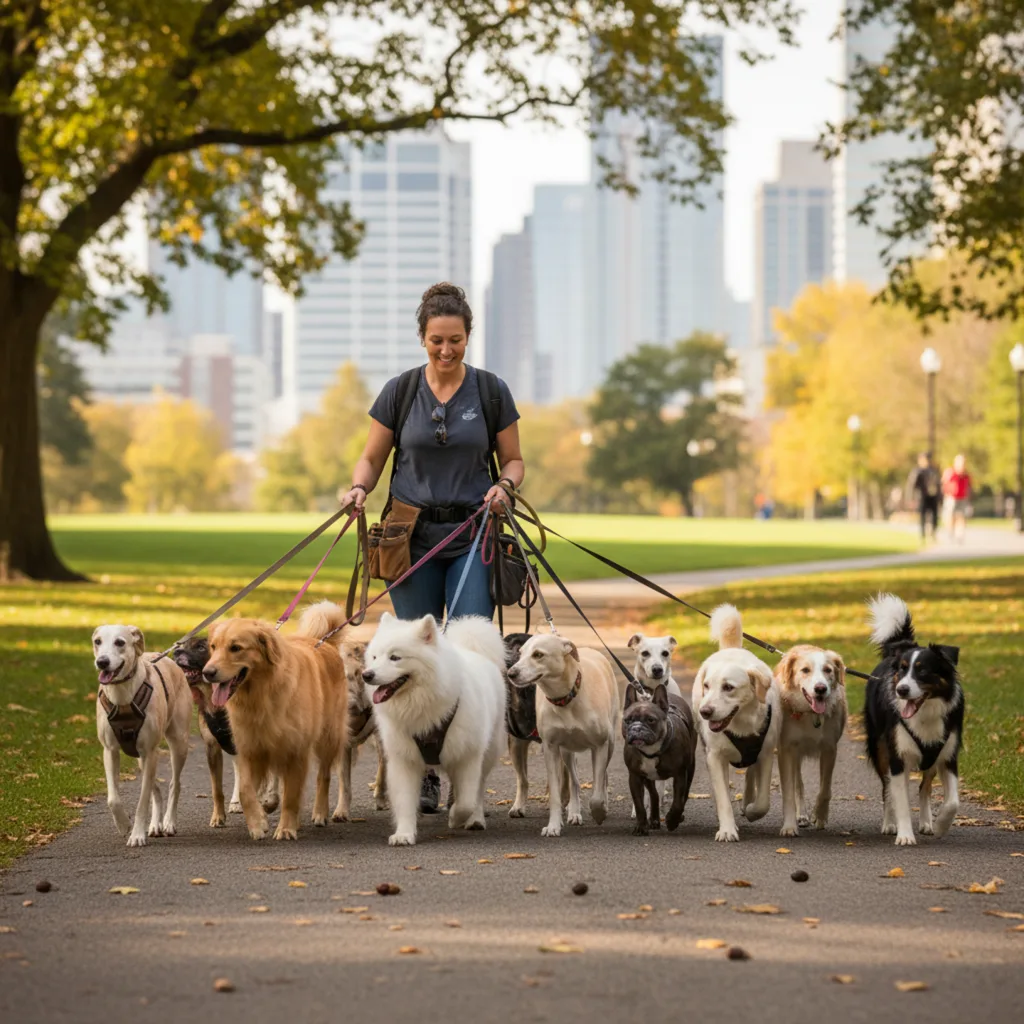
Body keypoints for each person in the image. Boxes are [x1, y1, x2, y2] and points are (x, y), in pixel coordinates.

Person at [338, 282, 524, 813]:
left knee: (467, 649)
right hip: (409, 537)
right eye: (437, 340)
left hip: (472, 532)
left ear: (468, 337)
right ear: (422, 338)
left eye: (456, 340)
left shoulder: (490, 391)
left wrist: (504, 486)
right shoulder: (400, 392)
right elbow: (372, 458)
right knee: (408, 657)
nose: (447, 350)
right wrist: (358, 488)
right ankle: (420, 772)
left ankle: (468, 767)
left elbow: (513, 461)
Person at [907, 452, 941, 541]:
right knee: (923, 516)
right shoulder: (917, 471)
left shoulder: (933, 470)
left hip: (933, 496)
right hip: (922, 496)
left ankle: (933, 533)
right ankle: (923, 535)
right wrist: (911, 498)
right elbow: (912, 485)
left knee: (934, 516)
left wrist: (939, 495)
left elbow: (938, 483)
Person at [942, 453, 972, 543]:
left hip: (962, 497)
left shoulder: (966, 474)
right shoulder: (950, 472)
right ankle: (950, 532)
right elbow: (944, 484)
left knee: (962, 515)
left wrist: (969, 496)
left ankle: (960, 534)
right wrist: (946, 494)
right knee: (951, 516)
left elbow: (969, 486)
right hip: (951, 497)